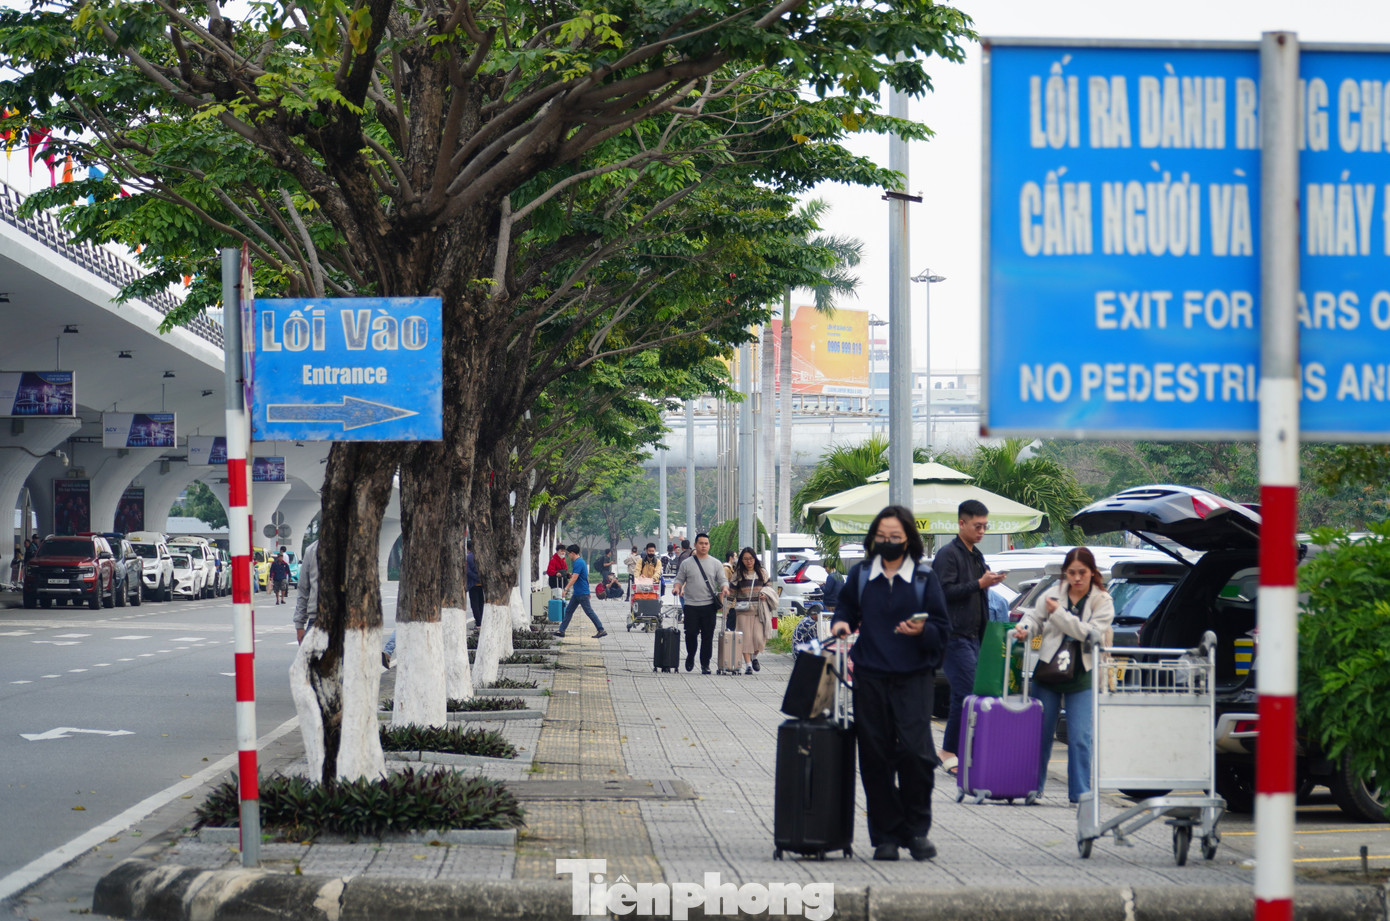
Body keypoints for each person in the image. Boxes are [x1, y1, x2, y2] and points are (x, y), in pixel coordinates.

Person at [831, 504, 950, 862]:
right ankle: (885, 834)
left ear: (908, 539)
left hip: (914, 678)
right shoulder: (863, 574)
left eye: (895, 537)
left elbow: (943, 629)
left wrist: (923, 630)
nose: (888, 542)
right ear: (872, 539)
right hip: (870, 676)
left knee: (916, 754)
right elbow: (846, 608)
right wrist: (841, 624)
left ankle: (916, 830)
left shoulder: (924, 580)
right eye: (881, 537)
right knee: (875, 756)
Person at [1012, 547, 1113, 803]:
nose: (1077, 578)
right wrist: (1024, 629)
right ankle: (1032, 788)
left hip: (1083, 675)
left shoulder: (1103, 600)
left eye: (1082, 572)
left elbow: (1089, 634)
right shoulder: (1053, 594)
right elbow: (1034, 618)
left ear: (1092, 573)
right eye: (1071, 573)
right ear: (1065, 573)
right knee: (1040, 735)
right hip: (1049, 672)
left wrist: (1058, 613)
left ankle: (1080, 794)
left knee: (1080, 737)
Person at [931, 499, 1007, 777]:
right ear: (961, 523)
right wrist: (979, 584)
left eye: (985, 527)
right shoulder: (948, 554)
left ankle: (952, 751)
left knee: (964, 695)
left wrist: (988, 581)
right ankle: (953, 751)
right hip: (953, 635)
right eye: (977, 526)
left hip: (975, 636)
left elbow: (977, 592)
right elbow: (944, 591)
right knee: (966, 694)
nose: (982, 531)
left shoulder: (976, 555)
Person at [671, 533, 729, 674]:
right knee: (690, 634)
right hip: (691, 605)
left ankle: (705, 664)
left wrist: (725, 588)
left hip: (709, 606)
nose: (704, 546)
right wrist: (677, 588)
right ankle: (690, 656)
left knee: (707, 636)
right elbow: (679, 579)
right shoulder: (686, 563)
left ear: (709, 545)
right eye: (701, 543)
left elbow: (722, 580)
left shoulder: (715, 563)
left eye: (706, 543)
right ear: (695, 545)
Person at [727, 546, 773, 674]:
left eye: (751, 558)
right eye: (745, 559)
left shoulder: (762, 572)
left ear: (755, 559)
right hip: (742, 611)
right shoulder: (738, 574)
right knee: (745, 639)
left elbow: (769, 587)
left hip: (759, 611)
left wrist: (765, 595)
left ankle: (754, 657)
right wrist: (726, 609)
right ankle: (748, 665)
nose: (749, 561)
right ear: (741, 560)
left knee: (759, 638)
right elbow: (731, 593)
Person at [557, 544, 607, 639]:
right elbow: (582, 577)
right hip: (578, 592)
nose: (568, 556)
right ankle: (561, 630)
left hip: (581, 592)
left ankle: (601, 629)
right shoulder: (580, 562)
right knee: (569, 611)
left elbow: (575, 578)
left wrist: (566, 589)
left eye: (568, 554)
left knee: (588, 611)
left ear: (572, 553)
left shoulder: (578, 562)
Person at [294, 540, 319, 644]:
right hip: (317, 618)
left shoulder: (361, 547)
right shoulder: (312, 550)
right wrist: (299, 625)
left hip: (352, 621)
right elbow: (303, 589)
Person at [466, 539, 484, 623]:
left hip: (473, 584)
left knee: (474, 605)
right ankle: (481, 621)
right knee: (481, 604)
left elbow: (468, 571)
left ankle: (478, 623)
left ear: (467, 548)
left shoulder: (468, 557)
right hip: (481, 584)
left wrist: (476, 578)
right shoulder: (480, 555)